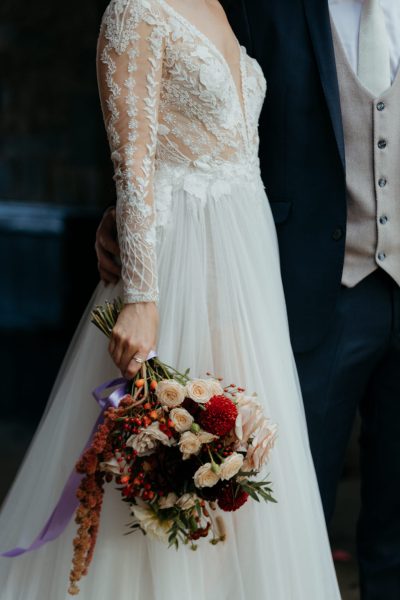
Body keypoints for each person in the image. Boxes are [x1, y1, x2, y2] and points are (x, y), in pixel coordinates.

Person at [0, 0, 342, 598]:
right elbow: (133, 168)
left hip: (244, 279)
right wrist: (141, 296)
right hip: (176, 267)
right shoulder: (136, 9)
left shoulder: (222, 8)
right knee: (158, 473)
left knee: (238, 468)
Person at [97, 1, 400, 599]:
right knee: (270, 504)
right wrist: (122, 221)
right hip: (302, 291)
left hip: (306, 276)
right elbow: (158, 109)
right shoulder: (255, 5)